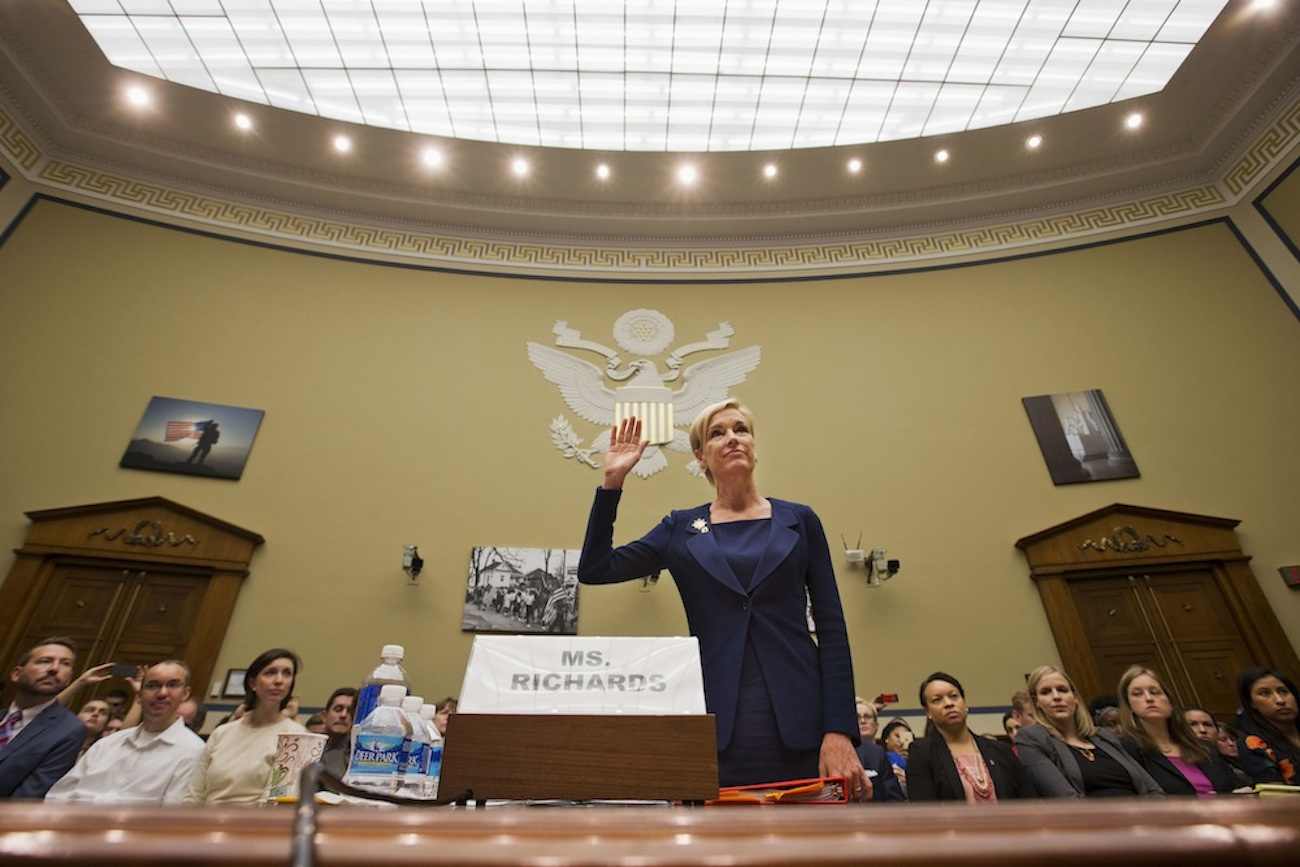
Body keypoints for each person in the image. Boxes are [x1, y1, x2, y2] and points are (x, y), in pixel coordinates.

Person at [578, 404, 867, 796]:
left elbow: (833, 630)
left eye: (741, 429)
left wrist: (839, 730)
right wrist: (612, 483)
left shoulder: (799, 521)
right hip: (717, 725)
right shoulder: (680, 528)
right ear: (701, 457)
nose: (732, 437)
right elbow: (595, 569)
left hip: (805, 723)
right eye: (717, 433)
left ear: (753, 445)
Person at [46, 660, 204, 804]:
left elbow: (170, 818)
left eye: (173, 685)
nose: (162, 693)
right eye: (152, 685)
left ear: (185, 694)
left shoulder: (193, 751)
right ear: (140, 695)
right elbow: (58, 796)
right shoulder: (107, 744)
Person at [1015, 665, 1162, 798]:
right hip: (1094, 824)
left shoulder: (1103, 736)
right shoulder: (1031, 738)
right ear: (1037, 703)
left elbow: (1152, 789)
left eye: (1062, 690)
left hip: (1144, 821)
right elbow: (1066, 800)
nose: (1056, 697)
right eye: (1046, 692)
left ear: (1075, 698)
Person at [184, 648, 305, 805]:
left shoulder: (294, 735)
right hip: (205, 821)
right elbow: (194, 793)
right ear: (253, 683)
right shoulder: (222, 732)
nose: (279, 680)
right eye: (270, 672)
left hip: (254, 825)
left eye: (287, 673)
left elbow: (277, 800)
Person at [906, 672, 1033, 803]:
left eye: (954, 696)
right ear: (928, 712)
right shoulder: (922, 753)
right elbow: (925, 811)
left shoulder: (1001, 750)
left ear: (964, 703)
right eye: (937, 700)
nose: (949, 703)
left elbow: (1029, 801)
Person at [1115, 666, 1239, 797]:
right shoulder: (1127, 751)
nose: (1149, 698)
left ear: (1169, 701)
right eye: (1137, 694)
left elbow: (1230, 787)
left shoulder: (1203, 747)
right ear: (1129, 705)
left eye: (1155, 692)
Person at [0, 638, 86, 798]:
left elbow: (27, 799)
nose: (54, 669)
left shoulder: (68, 730)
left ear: (69, 679)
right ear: (17, 674)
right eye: (45, 661)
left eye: (65, 664)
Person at [1233, 667, 1300, 785]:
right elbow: (1278, 795)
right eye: (1265, 693)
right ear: (1251, 703)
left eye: (1283, 691)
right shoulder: (1253, 743)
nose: (1280, 700)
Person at [319, 686, 357, 778]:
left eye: (350, 711)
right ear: (324, 716)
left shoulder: (359, 753)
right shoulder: (311, 747)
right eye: (338, 709)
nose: (343, 715)